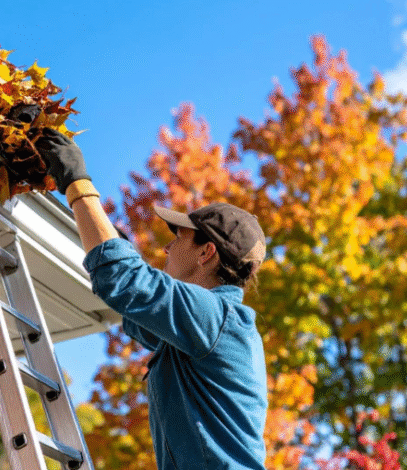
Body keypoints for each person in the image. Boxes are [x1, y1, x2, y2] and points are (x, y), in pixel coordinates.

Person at [35, 128, 268, 470]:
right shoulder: (204, 327)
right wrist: (104, 234)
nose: (167, 248)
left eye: (179, 239)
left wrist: (77, 183)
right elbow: (136, 309)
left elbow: (124, 281)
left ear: (206, 253)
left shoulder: (217, 318)